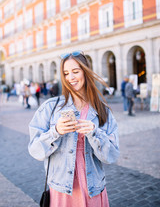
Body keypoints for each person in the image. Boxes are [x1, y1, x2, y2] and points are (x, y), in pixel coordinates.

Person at [28, 51, 119, 207]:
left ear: (85, 71)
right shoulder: (50, 107)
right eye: (66, 73)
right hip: (62, 190)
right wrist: (55, 131)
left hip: (93, 189)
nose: (71, 77)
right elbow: (35, 150)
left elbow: (111, 155)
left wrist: (95, 133)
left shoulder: (102, 111)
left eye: (76, 71)